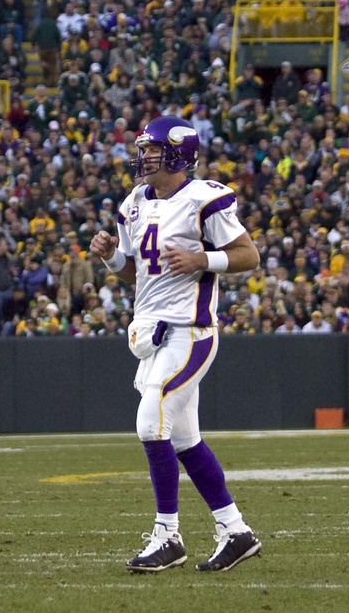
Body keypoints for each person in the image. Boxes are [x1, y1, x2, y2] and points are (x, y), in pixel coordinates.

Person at [87, 116, 261, 573]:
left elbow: (249, 255)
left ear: (179, 154)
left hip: (190, 330)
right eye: (142, 149)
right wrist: (111, 258)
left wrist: (203, 258)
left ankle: (168, 535)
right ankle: (235, 530)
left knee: (151, 423)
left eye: (152, 149)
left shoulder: (203, 198)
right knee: (184, 439)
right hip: (151, 333)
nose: (142, 156)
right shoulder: (134, 203)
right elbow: (137, 273)